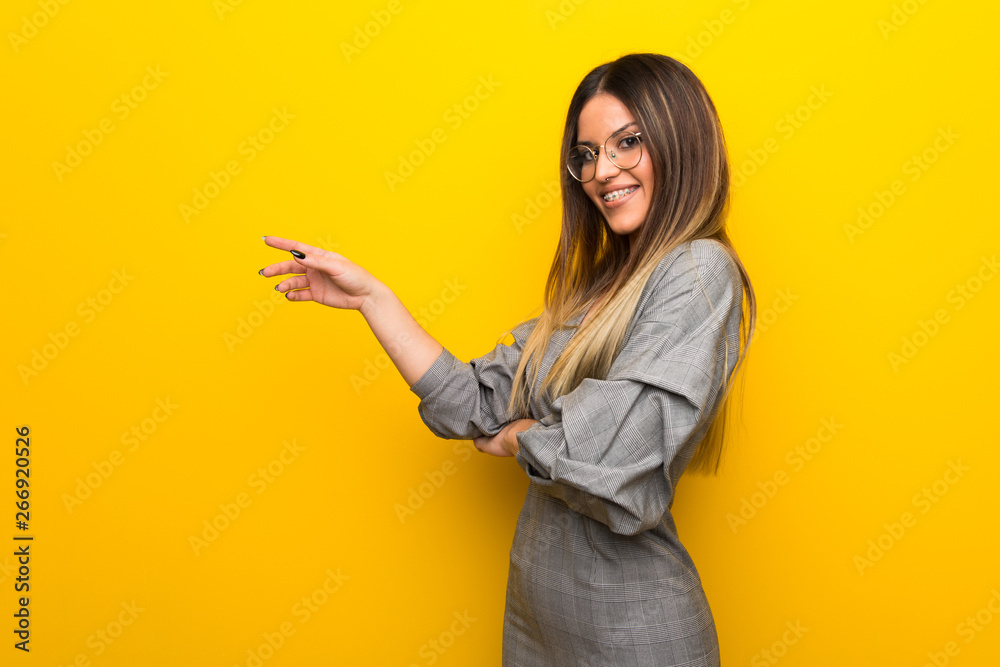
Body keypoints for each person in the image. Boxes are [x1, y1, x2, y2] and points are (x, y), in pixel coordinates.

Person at [258, 52, 755, 667]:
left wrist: (520, 438)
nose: (602, 171)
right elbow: (472, 405)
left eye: (628, 143)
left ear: (681, 141)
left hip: (634, 636)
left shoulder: (699, 270)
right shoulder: (596, 291)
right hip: (535, 624)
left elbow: (618, 458)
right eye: (587, 154)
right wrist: (374, 301)